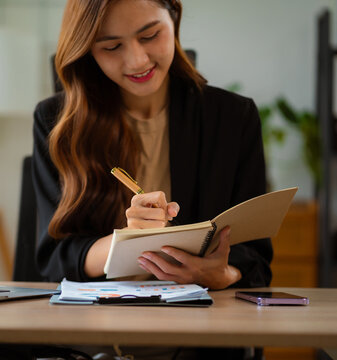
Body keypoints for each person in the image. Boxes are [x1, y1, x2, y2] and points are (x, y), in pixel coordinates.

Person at [32, 0, 271, 358]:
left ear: (173, 18)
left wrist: (222, 275)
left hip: (203, 342)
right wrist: (126, 243)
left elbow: (255, 257)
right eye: (112, 47)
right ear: (87, 51)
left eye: (150, 35)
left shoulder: (234, 118)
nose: (137, 60)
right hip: (91, 343)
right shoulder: (58, 123)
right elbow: (52, 259)